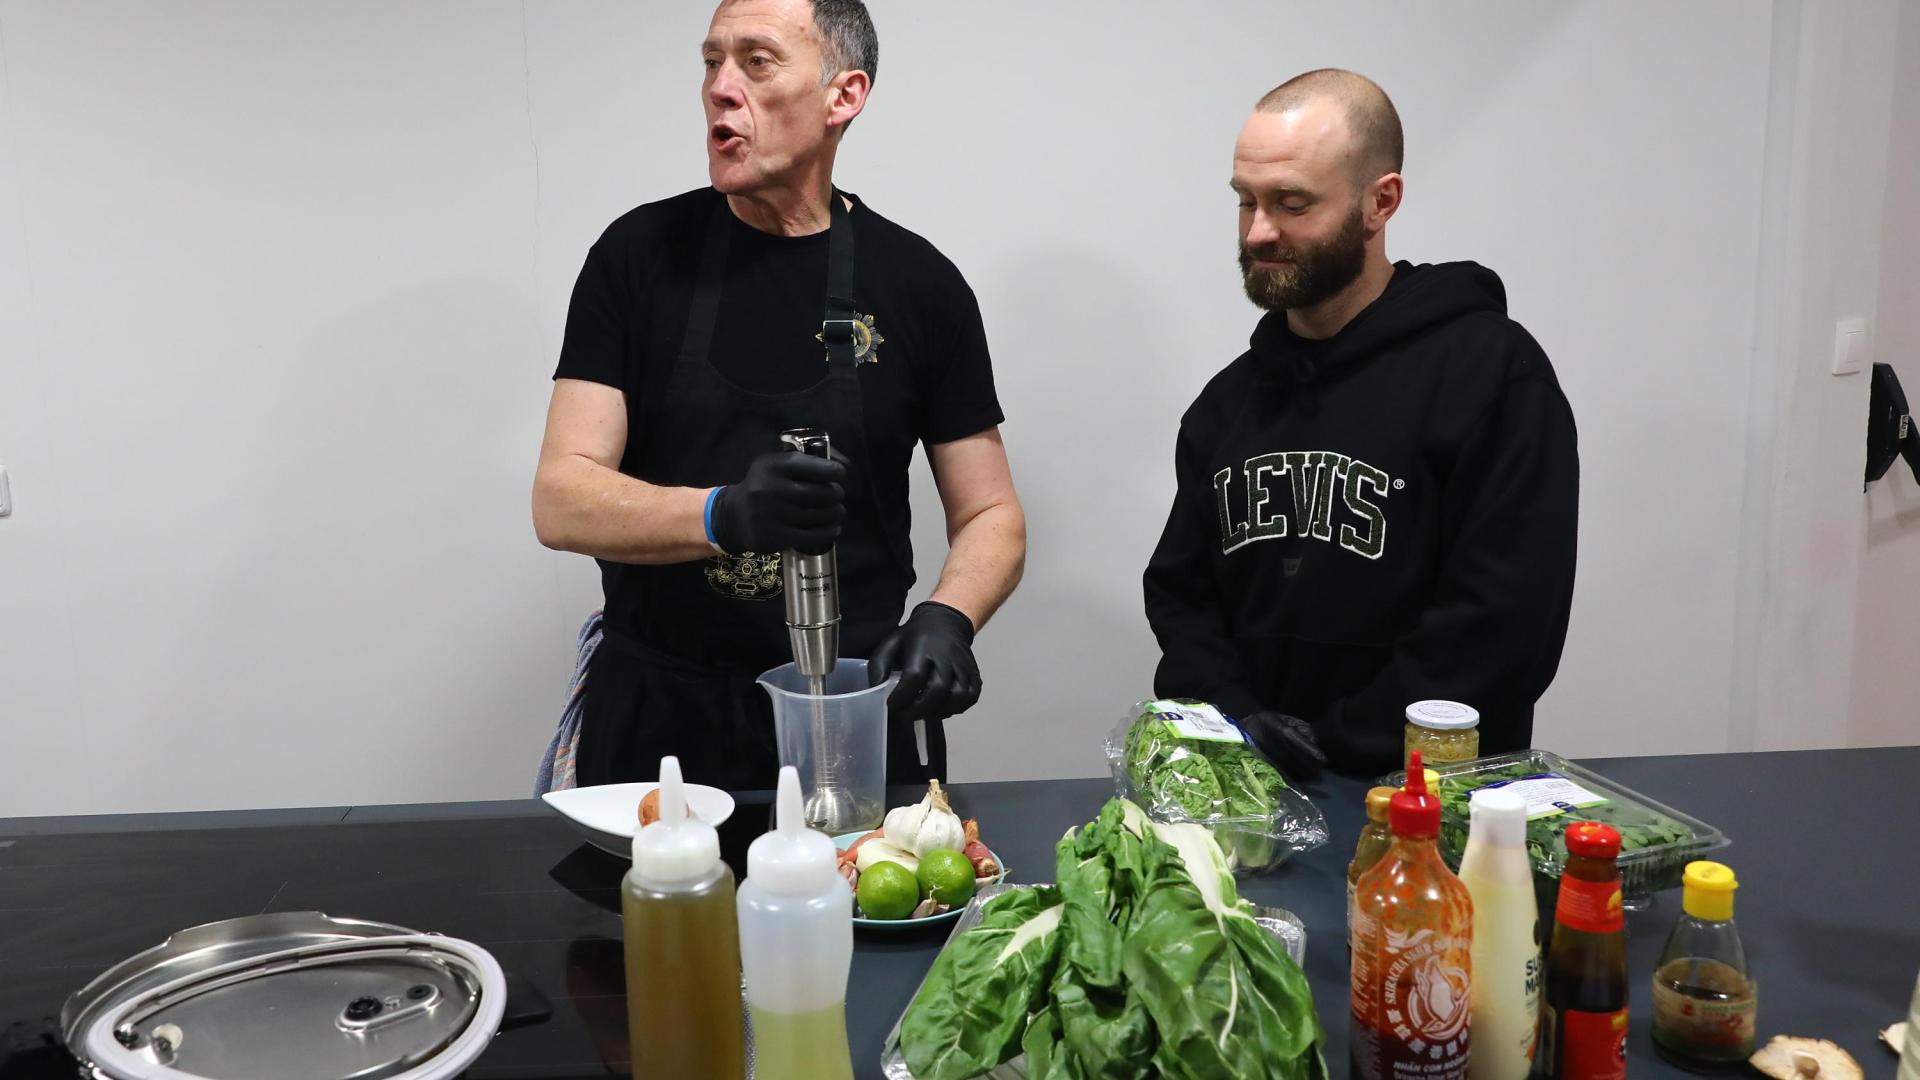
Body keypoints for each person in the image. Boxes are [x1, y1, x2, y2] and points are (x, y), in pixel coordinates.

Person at [532, 0, 1025, 790]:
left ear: (843, 96)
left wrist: (948, 616)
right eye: (711, 62)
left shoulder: (919, 285)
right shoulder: (637, 257)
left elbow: (992, 514)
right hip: (657, 723)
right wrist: (720, 513)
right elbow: (561, 499)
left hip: (847, 717)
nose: (722, 88)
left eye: (756, 62)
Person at [1143, 69, 1578, 778]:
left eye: (1291, 203)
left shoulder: (1492, 376)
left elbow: (1503, 626)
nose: (1259, 231)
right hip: (1256, 798)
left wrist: (1336, 748)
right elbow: (1181, 596)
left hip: (1431, 806)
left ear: (1381, 202)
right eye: (1246, 201)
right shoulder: (1225, 407)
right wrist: (1236, 718)